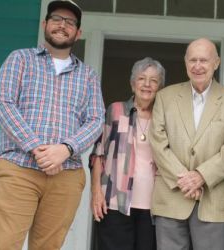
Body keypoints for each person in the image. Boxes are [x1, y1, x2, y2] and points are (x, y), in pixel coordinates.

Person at [0, 1, 105, 249]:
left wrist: (65, 149)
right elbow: (3, 104)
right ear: (45, 24)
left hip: (66, 175)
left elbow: (96, 120)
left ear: (78, 32)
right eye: (57, 19)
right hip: (19, 169)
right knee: (4, 244)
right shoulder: (20, 59)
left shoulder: (88, 75)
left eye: (70, 22)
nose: (63, 25)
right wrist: (38, 149)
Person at [148, 38, 224, 250]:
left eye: (204, 60)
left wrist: (201, 176)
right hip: (171, 197)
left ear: (216, 63)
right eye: (192, 60)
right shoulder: (165, 97)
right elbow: (158, 142)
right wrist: (185, 180)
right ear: (185, 62)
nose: (197, 66)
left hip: (214, 201)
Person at [89, 57, 165, 250]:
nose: (147, 84)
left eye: (154, 80)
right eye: (141, 79)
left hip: (153, 207)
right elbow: (99, 154)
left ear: (159, 87)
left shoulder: (164, 118)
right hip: (115, 202)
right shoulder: (116, 110)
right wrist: (96, 192)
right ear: (133, 84)